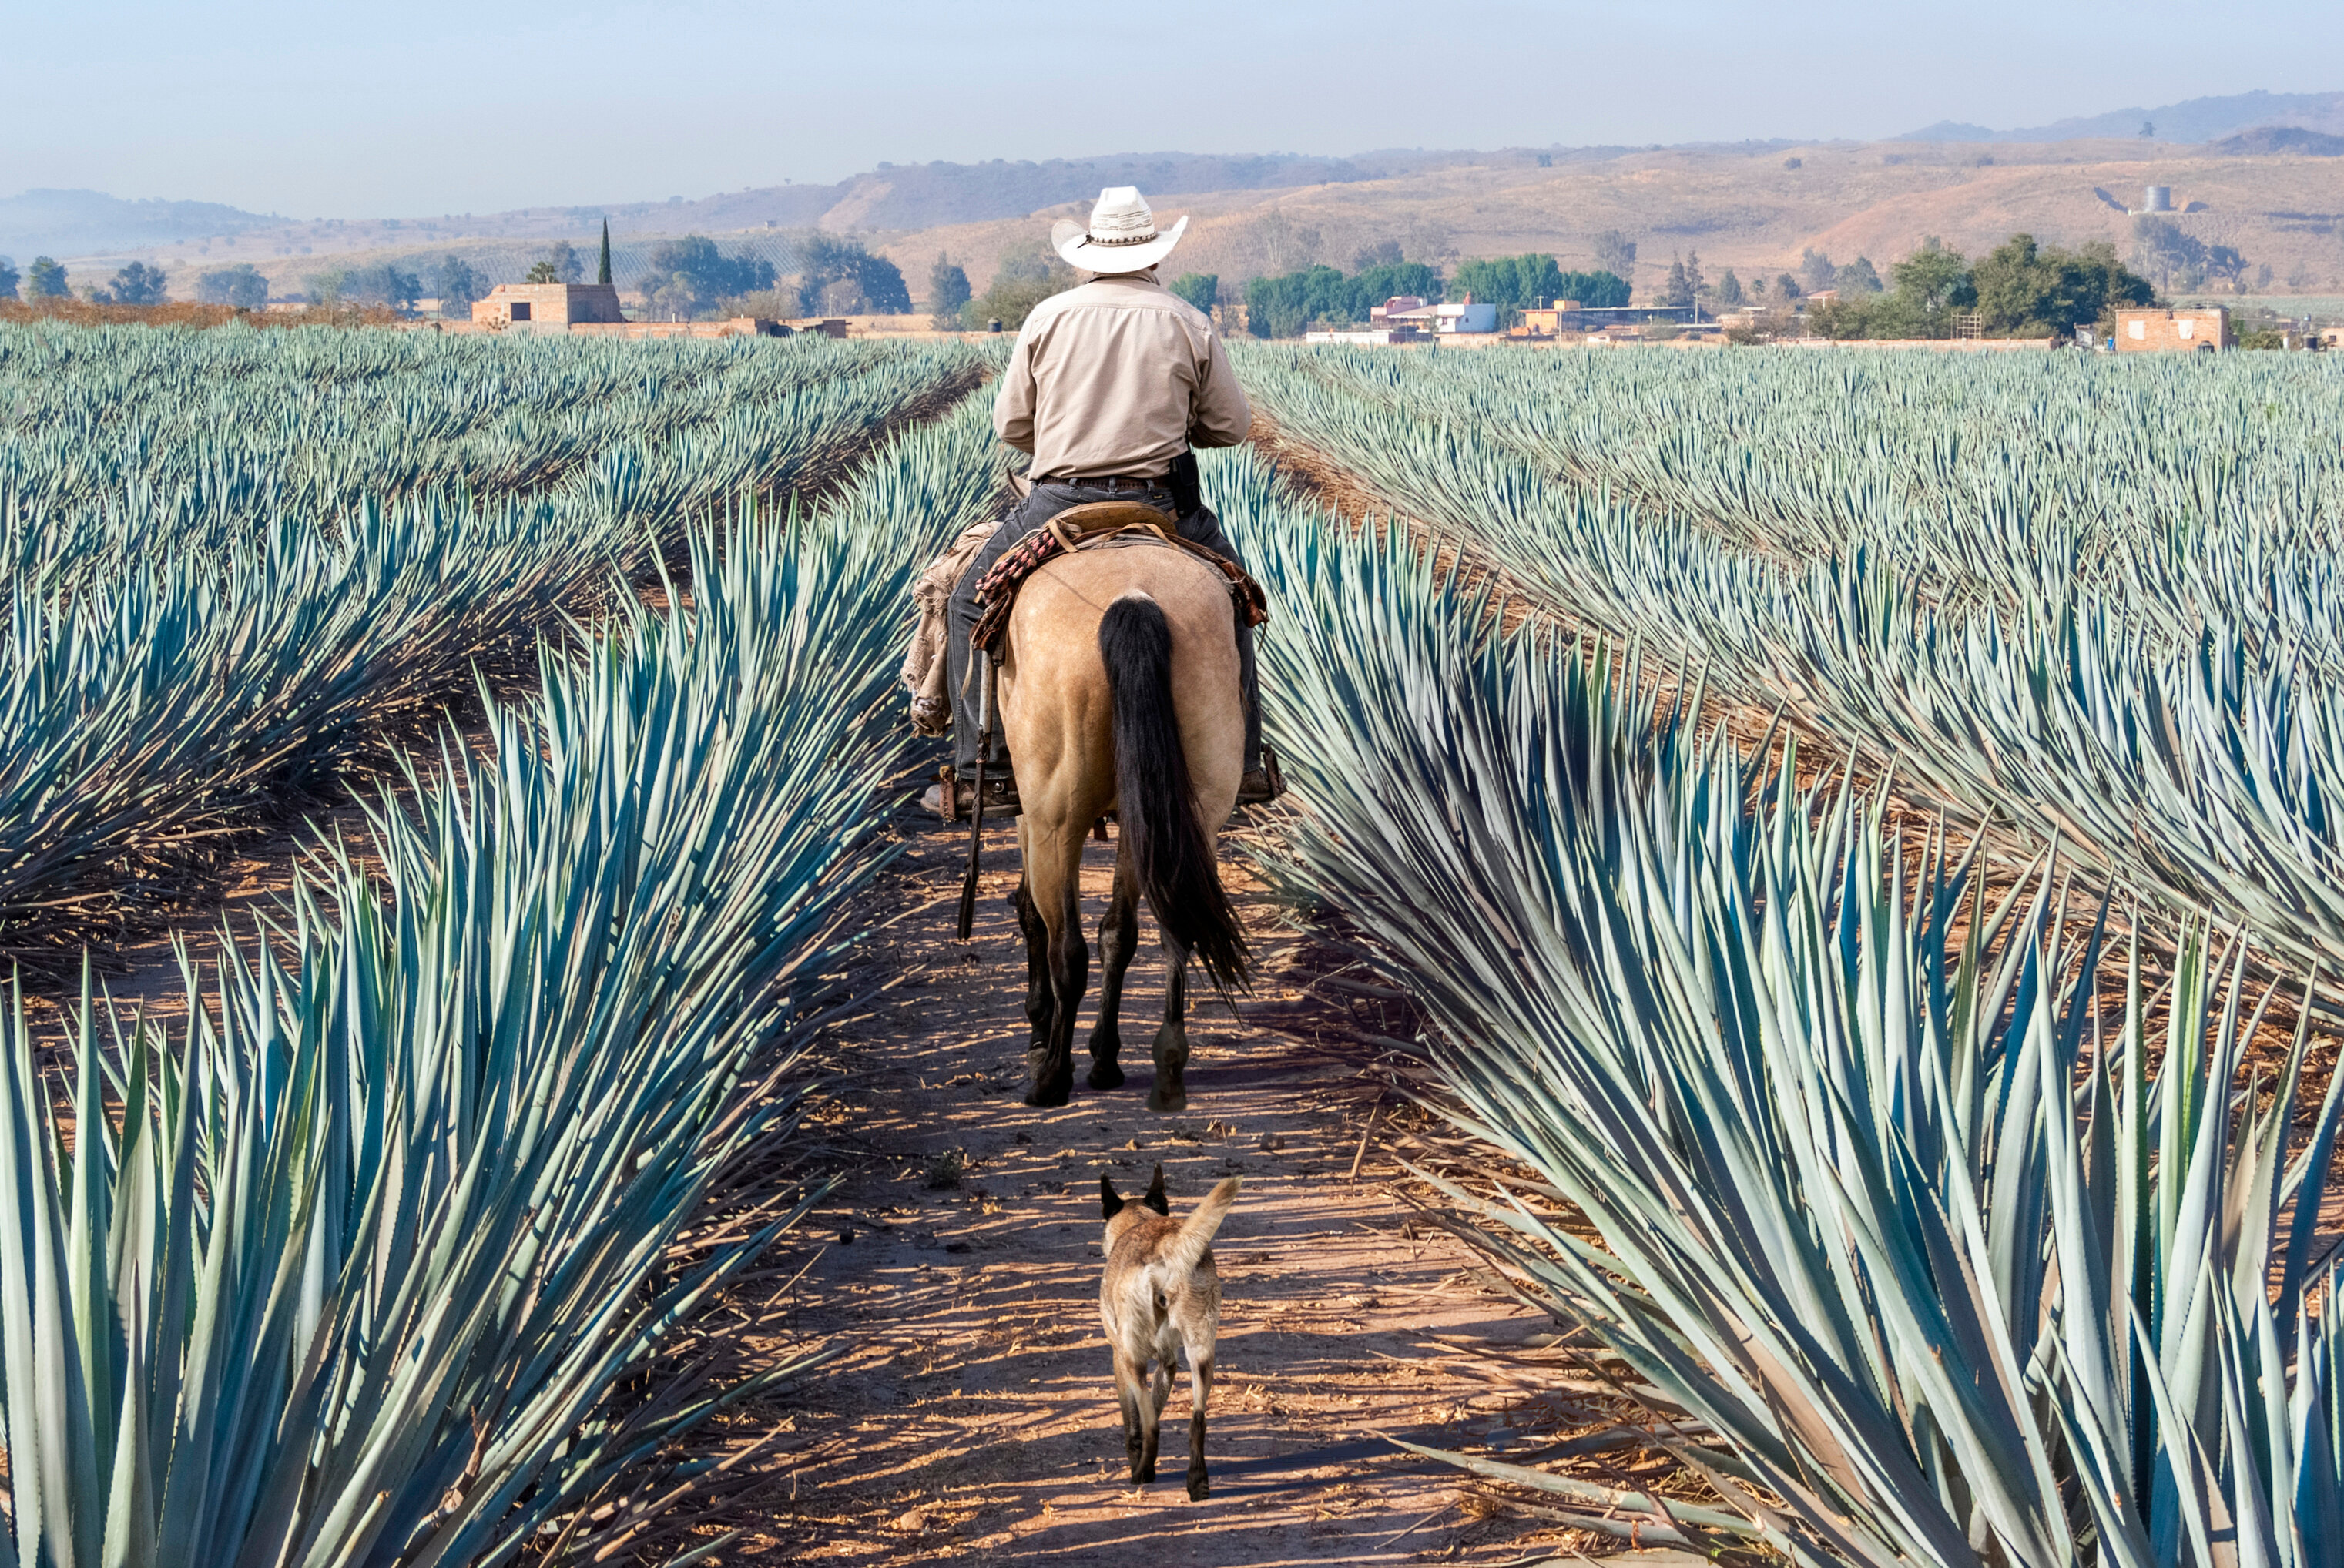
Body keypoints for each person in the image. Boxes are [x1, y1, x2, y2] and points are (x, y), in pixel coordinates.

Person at [927, 187, 1272, 818]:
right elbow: (1229, 428)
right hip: (1160, 502)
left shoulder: (1047, 317)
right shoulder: (1186, 320)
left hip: (1058, 500)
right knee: (1235, 601)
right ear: (1153, 254)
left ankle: (984, 762)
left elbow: (1013, 428)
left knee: (967, 602)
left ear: (1089, 253)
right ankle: (1244, 763)